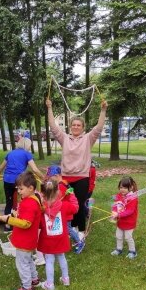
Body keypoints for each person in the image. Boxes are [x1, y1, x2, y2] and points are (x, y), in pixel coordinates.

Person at [46, 98, 108, 240]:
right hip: (66, 178)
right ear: (70, 127)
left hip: (81, 178)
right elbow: (53, 126)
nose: (75, 127)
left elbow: (98, 127)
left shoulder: (88, 138)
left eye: (78, 125)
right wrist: (49, 107)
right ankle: (70, 227)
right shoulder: (64, 138)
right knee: (65, 204)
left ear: (83, 127)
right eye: (73, 125)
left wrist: (103, 110)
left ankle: (80, 230)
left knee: (78, 204)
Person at [0, 172, 42, 290]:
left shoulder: (29, 203)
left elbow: (26, 223)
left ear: (31, 188)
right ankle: (34, 280)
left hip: (25, 240)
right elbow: (27, 217)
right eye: (18, 188)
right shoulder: (33, 199)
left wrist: (8, 220)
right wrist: (15, 215)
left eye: (21, 189)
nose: (19, 191)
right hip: (29, 240)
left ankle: (27, 288)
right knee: (28, 261)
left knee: (22, 264)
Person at [38, 179, 78, 290]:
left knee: (49, 261)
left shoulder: (41, 208)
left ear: (42, 194)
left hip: (48, 241)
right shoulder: (64, 205)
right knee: (61, 257)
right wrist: (71, 195)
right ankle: (66, 279)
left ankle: (49, 285)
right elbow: (75, 208)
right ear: (58, 192)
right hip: (61, 239)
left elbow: (39, 224)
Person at [0, 137, 44, 232]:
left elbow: (1, 167)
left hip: (7, 180)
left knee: (9, 202)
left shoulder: (10, 153)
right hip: (20, 182)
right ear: (28, 145)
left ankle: (7, 226)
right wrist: (43, 177)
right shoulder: (27, 154)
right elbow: (34, 169)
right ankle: (21, 221)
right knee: (23, 202)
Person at [46, 165, 85, 254]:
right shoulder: (63, 182)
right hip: (64, 211)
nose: (49, 180)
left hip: (65, 212)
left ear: (56, 176)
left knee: (68, 229)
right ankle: (66, 242)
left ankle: (80, 242)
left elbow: (57, 199)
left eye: (50, 178)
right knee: (66, 229)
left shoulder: (61, 186)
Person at [111, 176, 139, 259]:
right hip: (120, 221)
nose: (122, 189)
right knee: (118, 236)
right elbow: (115, 205)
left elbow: (130, 211)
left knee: (128, 237)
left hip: (129, 222)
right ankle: (119, 249)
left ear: (130, 188)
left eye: (124, 188)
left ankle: (132, 251)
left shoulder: (133, 198)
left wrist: (118, 214)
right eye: (120, 187)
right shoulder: (119, 196)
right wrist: (114, 211)